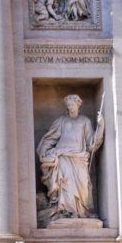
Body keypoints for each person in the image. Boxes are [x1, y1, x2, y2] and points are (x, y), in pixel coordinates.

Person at [37, 94, 104, 223]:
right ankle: (66, 211)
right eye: (68, 106)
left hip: (79, 158)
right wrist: (44, 151)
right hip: (62, 156)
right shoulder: (61, 121)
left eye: (72, 105)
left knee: (83, 184)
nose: (70, 107)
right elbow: (50, 138)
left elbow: (91, 143)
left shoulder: (85, 121)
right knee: (66, 184)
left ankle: (82, 211)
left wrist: (101, 126)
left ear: (78, 105)